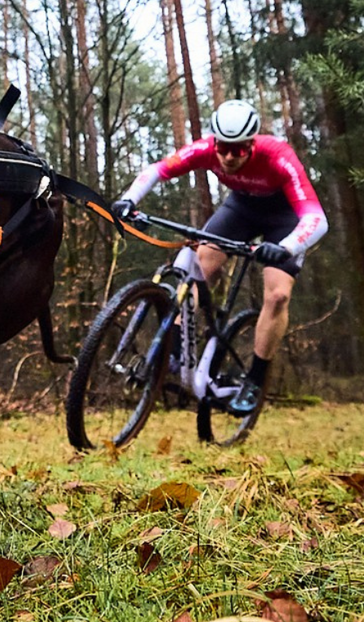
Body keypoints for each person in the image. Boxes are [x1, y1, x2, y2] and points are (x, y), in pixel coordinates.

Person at [109, 99, 328, 415]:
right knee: (193, 268)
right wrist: (128, 199)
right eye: (223, 148)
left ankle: (255, 379)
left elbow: (316, 218)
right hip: (241, 210)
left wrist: (287, 247)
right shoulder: (204, 149)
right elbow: (158, 170)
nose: (228, 157)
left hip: (284, 219)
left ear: (252, 144)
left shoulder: (279, 157)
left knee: (278, 295)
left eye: (238, 150)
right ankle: (177, 352)